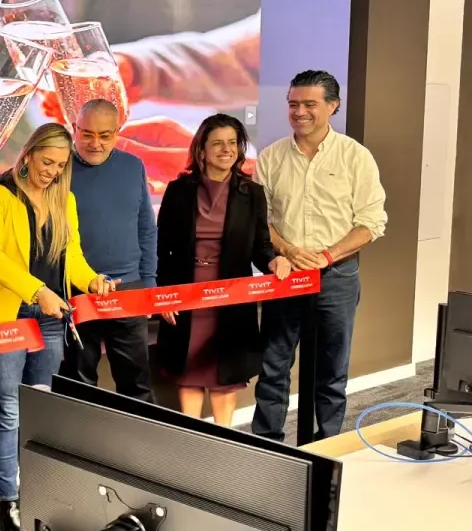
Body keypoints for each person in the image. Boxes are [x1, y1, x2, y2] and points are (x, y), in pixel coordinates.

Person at [0, 123, 116, 531]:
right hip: (5, 319)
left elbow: (72, 258)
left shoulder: (66, 200)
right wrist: (37, 290)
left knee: (39, 410)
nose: (52, 172)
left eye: (61, 166)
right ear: (28, 154)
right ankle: (9, 502)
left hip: (49, 320)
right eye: (47, 162)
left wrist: (92, 281)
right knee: (7, 410)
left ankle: (37, 495)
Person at [252, 70, 387, 442]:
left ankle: (327, 448)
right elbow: (261, 221)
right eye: (293, 104)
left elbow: (371, 223)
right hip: (286, 276)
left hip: (337, 277)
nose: (299, 112)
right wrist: (288, 250)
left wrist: (328, 255)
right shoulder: (271, 157)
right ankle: (267, 445)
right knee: (273, 367)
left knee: (331, 371)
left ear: (333, 106)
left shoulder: (355, 157)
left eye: (309, 104)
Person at [154, 114, 291, 427]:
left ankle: (223, 436)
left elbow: (261, 247)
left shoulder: (252, 193)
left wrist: (274, 261)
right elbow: (161, 249)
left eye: (232, 143)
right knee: (189, 370)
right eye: (217, 143)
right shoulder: (178, 191)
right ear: (201, 150)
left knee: (224, 375)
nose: (226, 149)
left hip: (231, 299)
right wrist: (165, 295)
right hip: (187, 295)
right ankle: (190, 435)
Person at [57, 99, 157, 403]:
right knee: (78, 383)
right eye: (87, 134)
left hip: (128, 289)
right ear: (74, 129)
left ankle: (140, 434)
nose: (95, 143)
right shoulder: (58, 169)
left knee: (136, 383)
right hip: (75, 290)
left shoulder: (133, 166)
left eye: (105, 135)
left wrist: (149, 283)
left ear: (117, 132)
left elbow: (146, 228)